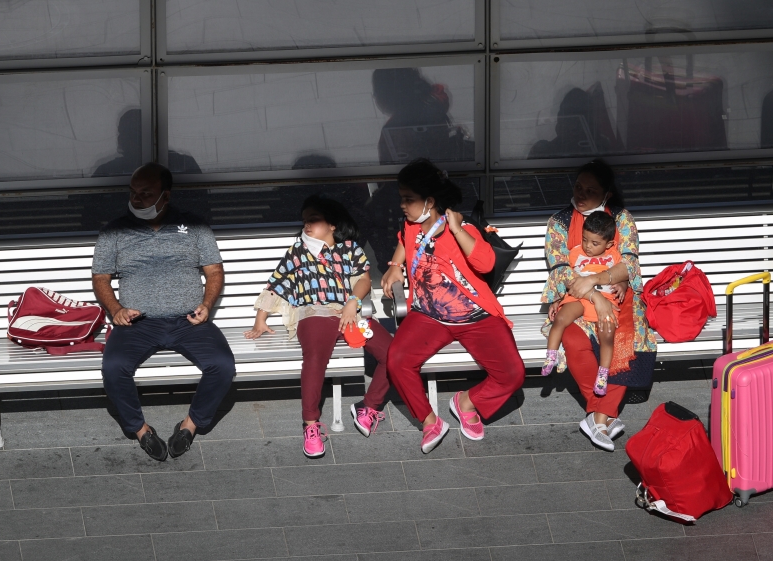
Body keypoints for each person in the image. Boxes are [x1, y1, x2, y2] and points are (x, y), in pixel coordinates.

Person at [91, 162, 234, 462]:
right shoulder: (114, 230)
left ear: (165, 197)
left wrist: (207, 306)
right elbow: (100, 278)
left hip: (189, 321)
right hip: (137, 323)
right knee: (113, 368)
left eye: (146, 193)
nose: (136, 199)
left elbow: (215, 271)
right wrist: (115, 309)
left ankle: (190, 426)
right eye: (132, 192)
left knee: (222, 365)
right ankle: (142, 431)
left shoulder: (193, 226)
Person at [381, 159, 525, 454]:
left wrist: (458, 230)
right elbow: (403, 240)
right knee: (397, 360)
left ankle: (466, 402)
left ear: (430, 201)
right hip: (429, 316)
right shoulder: (411, 226)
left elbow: (485, 263)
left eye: (409, 199)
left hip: (476, 317)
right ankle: (430, 421)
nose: (402, 205)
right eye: (401, 198)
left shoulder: (461, 228)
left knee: (512, 374)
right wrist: (396, 265)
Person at [244, 195, 393, 458]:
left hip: (348, 313)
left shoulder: (349, 249)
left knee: (393, 353)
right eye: (304, 221)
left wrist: (352, 303)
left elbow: (363, 281)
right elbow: (276, 282)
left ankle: (369, 406)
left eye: (314, 219)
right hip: (314, 313)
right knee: (314, 358)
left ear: (332, 224)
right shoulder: (298, 251)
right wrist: (260, 319)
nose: (307, 225)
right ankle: (311, 425)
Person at [541, 158, 657, 452]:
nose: (581, 194)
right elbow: (561, 269)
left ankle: (598, 418)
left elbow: (630, 264)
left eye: (590, 190)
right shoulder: (559, 223)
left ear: (606, 194)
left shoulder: (621, 219)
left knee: (619, 339)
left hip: (616, 299)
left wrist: (598, 281)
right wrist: (593, 295)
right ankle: (602, 416)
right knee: (572, 338)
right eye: (579, 187)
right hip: (577, 300)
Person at [542, 212, 634, 397]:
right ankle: (551, 354)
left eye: (594, 243)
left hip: (605, 300)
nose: (588, 247)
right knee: (561, 317)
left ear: (608, 244)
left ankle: (603, 374)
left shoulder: (614, 256)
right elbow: (563, 277)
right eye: (585, 240)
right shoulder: (576, 253)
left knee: (607, 333)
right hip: (579, 296)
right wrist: (558, 298)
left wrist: (622, 285)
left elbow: (624, 275)